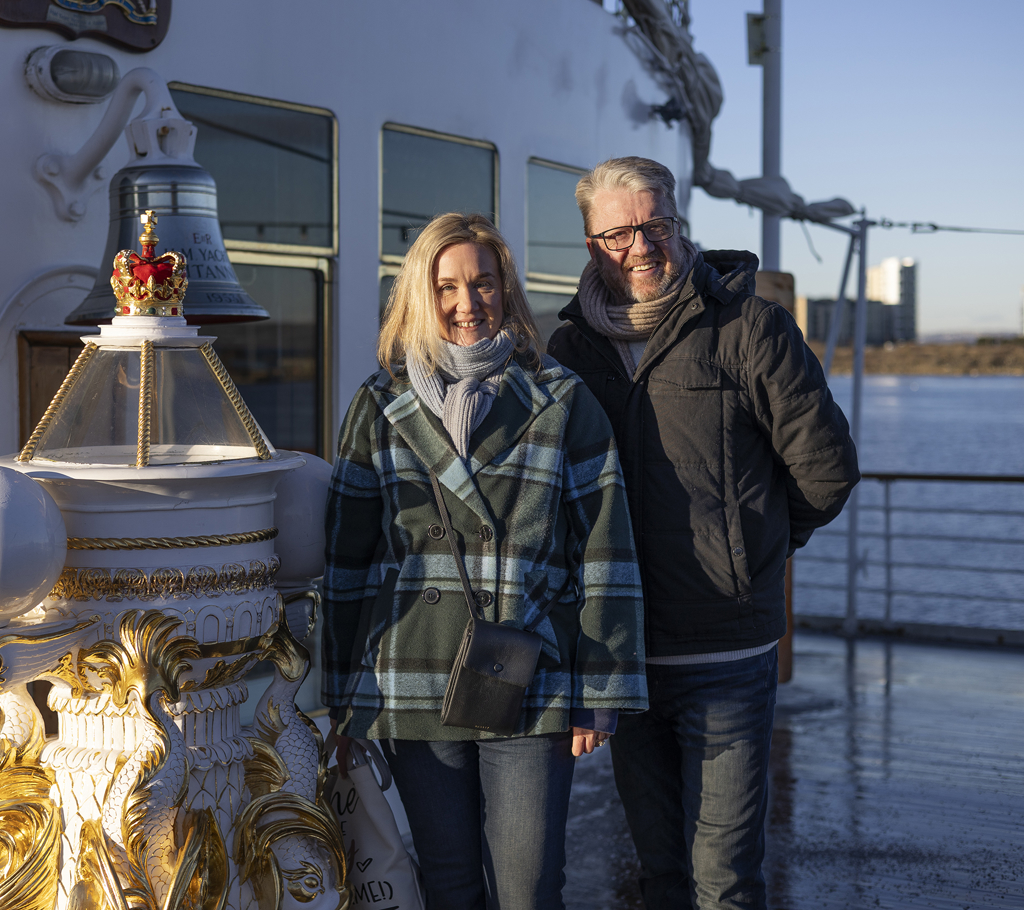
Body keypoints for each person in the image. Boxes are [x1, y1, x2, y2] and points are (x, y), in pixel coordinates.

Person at [546, 157, 860, 910]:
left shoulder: (750, 329)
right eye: (619, 234)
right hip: (624, 654)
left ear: (678, 223)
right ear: (592, 244)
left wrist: (749, 555)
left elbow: (827, 470)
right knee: (660, 874)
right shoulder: (569, 354)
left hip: (727, 654)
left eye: (655, 224)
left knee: (725, 881)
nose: (642, 246)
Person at [322, 212, 648, 910]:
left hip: (529, 668)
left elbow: (605, 549)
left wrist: (600, 691)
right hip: (413, 674)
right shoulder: (380, 403)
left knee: (529, 888)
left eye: (483, 283)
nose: (467, 303)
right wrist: (343, 699)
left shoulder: (562, 398)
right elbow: (347, 562)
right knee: (450, 884)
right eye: (446, 286)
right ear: (421, 294)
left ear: (506, 290)